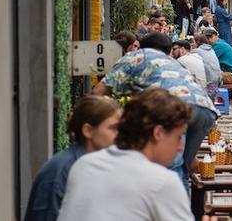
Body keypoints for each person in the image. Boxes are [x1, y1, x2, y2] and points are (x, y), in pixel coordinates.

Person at [91, 32, 218, 188]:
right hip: (205, 109)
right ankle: (182, 209)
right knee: (183, 166)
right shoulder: (172, 61)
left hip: (175, 108)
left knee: (172, 168)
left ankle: (169, 210)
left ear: (142, 47)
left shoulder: (135, 57)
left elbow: (98, 92)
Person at [57, 89, 194, 221]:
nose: (180, 147)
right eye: (178, 137)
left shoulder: (84, 164)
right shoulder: (163, 182)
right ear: (158, 133)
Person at [25, 96, 122, 221]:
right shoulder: (61, 170)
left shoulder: (106, 166)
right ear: (88, 131)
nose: (120, 135)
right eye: (113, 128)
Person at [192, 34, 222, 100]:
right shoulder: (211, 49)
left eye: (193, 42)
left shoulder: (196, 51)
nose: (192, 44)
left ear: (198, 42)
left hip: (208, 89)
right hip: (217, 85)